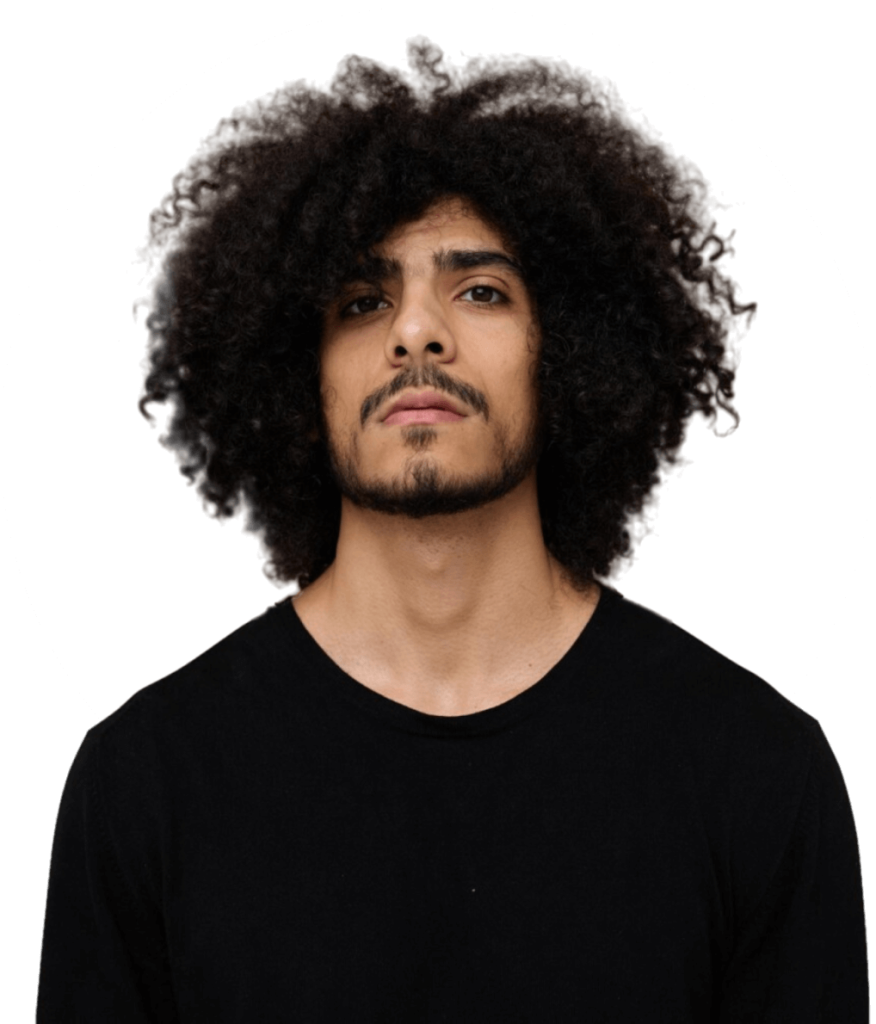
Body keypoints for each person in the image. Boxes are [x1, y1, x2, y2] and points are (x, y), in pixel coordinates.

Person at [37, 40, 867, 1021]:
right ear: (294, 375)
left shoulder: (755, 773)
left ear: (575, 353)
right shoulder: (145, 784)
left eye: (480, 291)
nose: (416, 332)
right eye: (362, 300)